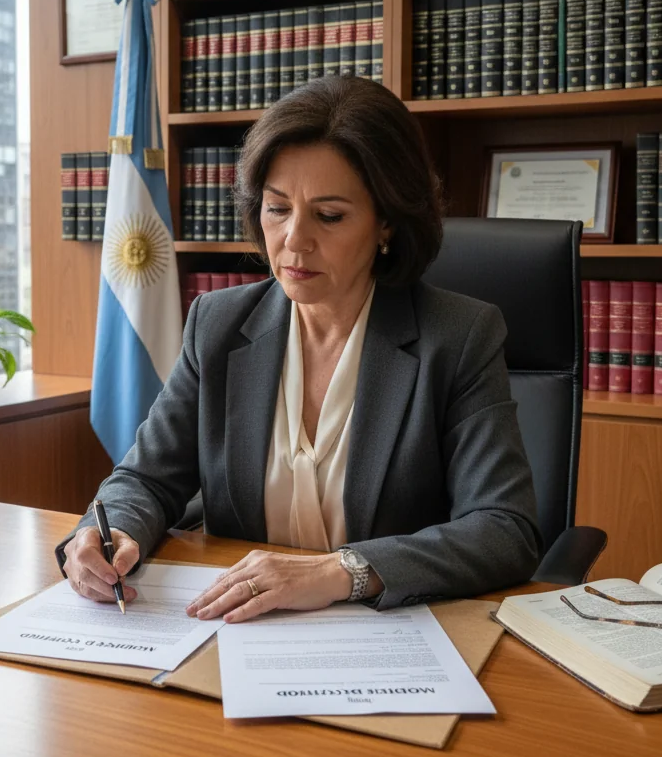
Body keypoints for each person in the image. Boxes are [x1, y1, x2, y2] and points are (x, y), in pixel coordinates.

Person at [57, 76, 541, 623]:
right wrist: (111, 529)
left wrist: (342, 571)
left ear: (386, 223)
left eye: (329, 215)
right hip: (234, 629)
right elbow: (146, 477)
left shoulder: (457, 336)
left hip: (386, 634)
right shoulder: (218, 323)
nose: (294, 240)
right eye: (277, 208)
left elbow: (504, 528)